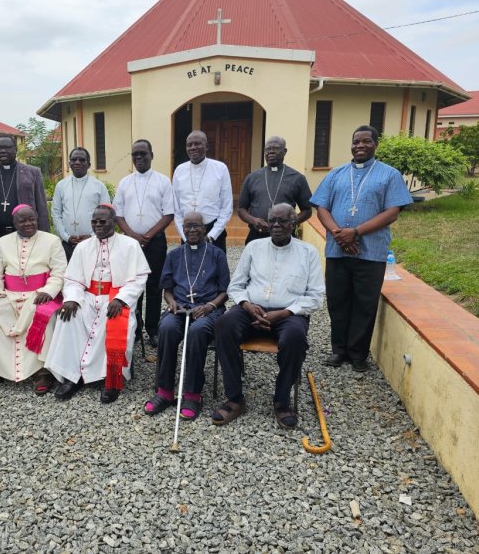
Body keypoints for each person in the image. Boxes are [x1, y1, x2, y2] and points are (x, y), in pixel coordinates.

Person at [310, 125, 413, 372]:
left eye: (366, 141)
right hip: (337, 251)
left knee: (364, 304)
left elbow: (392, 212)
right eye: (356, 142)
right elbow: (321, 207)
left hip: (370, 253)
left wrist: (355, 232)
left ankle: (358, 355)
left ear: (375, 144)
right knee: (337, 301)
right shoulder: (336, 174)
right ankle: (339, 351)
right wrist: (339, 234)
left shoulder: (389, 175)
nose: (360, 146)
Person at [212, 203, 324, 428]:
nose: (275, 225)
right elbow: (236, 285)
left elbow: (316, 296)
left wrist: (283, 313)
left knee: (295, 338)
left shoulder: (308, 252)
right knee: (224, 324)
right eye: (272, 220)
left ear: (293, 224)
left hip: (289, 313)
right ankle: (234, 398)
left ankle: (282, 401)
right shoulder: (254, 247)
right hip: (252, 309)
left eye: (282, 221)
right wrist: (246, 305)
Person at [45, 204, 150, 403]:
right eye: (94, 222)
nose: (98, 225)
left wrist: (121, 299)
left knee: (115, 322)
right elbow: (73, 279)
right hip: (87, 295)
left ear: (114, 222)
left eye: (103, 221)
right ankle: (71, 375)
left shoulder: (130, 245)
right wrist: (72, 299)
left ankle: (111, 378)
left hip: (117, 295)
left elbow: (138, 278)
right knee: (69, 318)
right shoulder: (83, 246)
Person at [0, 204, 67, 395]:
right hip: (9, 295)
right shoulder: (3, 242)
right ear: (14, 223)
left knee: (44, 316)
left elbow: (60, 272)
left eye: (32, 219)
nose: (28, 223)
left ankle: (43, 371)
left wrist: (48, 291)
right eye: (23, 220)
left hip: (40, 294)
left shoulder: (52, 241)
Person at [144, 212, 229, 421]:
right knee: (167, 328)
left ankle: (192, 394)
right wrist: (171, 303)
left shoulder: (217, 254)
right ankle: (164, 390)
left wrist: (210, 306)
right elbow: (167, 289)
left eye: (196, 226)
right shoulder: (174, 255)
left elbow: (225, 291)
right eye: (187, 226)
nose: (191, 230)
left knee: (197, 331)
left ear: (204, 228)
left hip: (208, 309)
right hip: (180, 308)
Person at [114, 139, 174, 348]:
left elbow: (168, 213)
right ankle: (135, 327)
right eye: (135, 155)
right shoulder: (124, 182)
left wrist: (147, 236)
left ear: (151, 155)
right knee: (132, 285)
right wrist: (133, 236)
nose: (139, 158)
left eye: (143, 154)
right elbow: (118, 214)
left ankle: (153, 329)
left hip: (155, 242)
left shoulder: (163, 181)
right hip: (130, 243)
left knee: (154, 286)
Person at [0, 136, 49, 255]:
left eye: (7, 147)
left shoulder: (33, 172)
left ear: (15, 149)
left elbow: (42, 208)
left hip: (24, 234)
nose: (2, 151)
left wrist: (44, 239)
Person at [238, 136, 312, 244]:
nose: (271, 152)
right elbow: (241, 209)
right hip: (257, 235)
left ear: (284, 151)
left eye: (275, 148)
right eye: (268, 149)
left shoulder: (297, 178)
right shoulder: (252, 177)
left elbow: (307, 210)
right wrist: (254, 220)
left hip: (286, 236)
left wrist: (289, 222)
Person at [172, 130, 233, 253]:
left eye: (197, 144)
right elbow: (176, 209)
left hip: (213, 230)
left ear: (207, 146)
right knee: (189, 270)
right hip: (188, 232)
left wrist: (212, 235)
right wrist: (185, 236)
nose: (193, 147)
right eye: (189, 145)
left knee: (215, 270)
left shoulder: (220, 168)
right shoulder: (179, 170)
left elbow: (226, 207)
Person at [51, 147, 110, 260]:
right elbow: (56, 213)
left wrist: (93, 236)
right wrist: (66, 237)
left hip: (93, 242)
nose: (77, 162)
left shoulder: (98, 186)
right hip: (68, 244)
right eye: (74, 159)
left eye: (82, 160)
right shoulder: (61, 185)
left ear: (89, 164)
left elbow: (106, 215)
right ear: (70, 163)